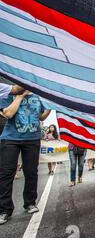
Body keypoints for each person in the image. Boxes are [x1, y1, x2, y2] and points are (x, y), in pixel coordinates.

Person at [0, 90, 50, 225]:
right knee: (6, 173)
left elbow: (42, 117)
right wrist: (20, 96)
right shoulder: (10, 94)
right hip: (10, 138)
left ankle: (30, 203)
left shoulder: (39, 96)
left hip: (32, 139)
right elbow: (8, 114)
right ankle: (4, 210)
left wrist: (51, 106)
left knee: (31, 172)